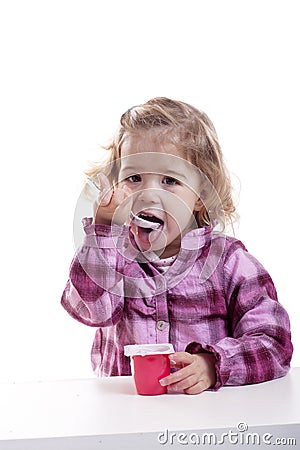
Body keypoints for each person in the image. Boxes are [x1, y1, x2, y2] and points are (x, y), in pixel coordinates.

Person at [61, 97, 293, 394]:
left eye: (169, 180)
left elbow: (274, 342)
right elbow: (90, 311)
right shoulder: (112, 254)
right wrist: (104, 231)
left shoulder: (229, 262)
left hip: (205, 418)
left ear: (200, 195)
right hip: (124, 418)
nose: (148, 195)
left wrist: (215, 364)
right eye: (134, 178)